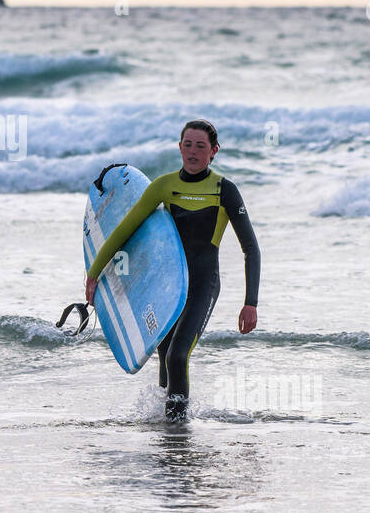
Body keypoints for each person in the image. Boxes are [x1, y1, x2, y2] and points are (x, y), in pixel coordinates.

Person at [85, 119, 260, 420]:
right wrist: (94, 274)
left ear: (214, 151)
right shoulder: (164, 186)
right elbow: (126, 230)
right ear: (179, 147)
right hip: (167, 285)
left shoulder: (225, 191)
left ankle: (177, 425)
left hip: (204, 283)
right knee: (165, 356)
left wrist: (250, 303)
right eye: (188, 145)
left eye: (201, 146)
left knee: (179, 356)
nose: (193, 152)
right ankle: (170, 434)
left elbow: (251, 248)